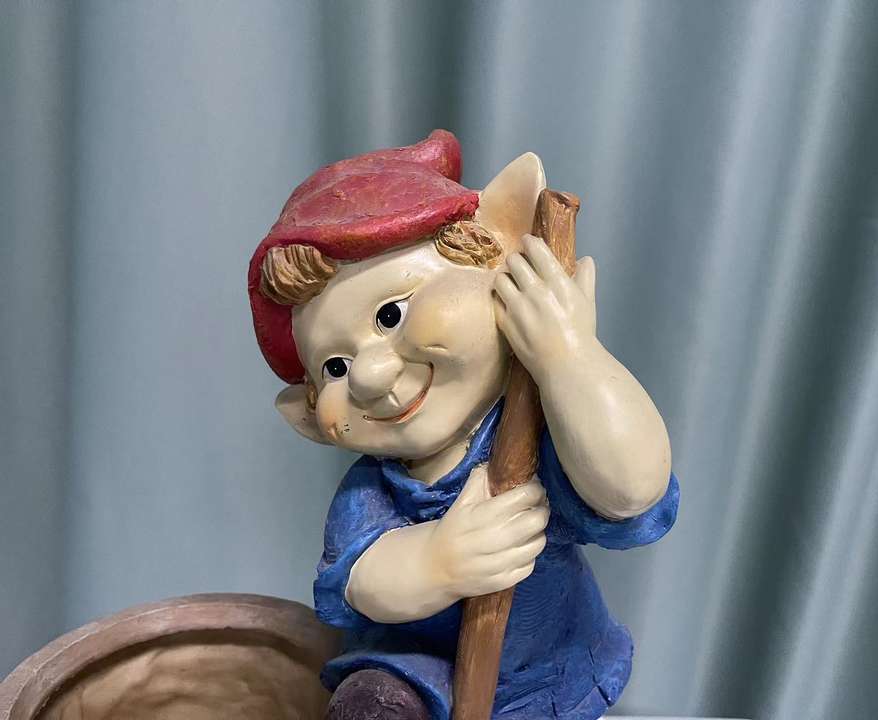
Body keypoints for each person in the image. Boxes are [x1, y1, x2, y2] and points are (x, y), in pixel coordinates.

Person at [248, 130, 679, 720]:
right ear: (311, 415)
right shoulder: (375, 490)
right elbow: (361, 579)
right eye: (336, 368)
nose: (369, 375)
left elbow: (632, 488)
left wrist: (569, 358)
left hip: (548, 674)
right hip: (415, 675)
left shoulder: (536, 438)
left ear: (501, 262)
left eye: (391, 313)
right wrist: (439, 562)